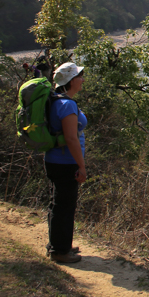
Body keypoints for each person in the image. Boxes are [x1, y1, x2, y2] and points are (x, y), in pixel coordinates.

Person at [45, 62, 87, 264]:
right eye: (79, 76)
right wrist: (81, 166)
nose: (82, 80)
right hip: (65, 162)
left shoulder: (56, 101)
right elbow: (71, 138)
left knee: (58, 203)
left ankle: (59, 243)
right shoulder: (67, 105)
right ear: (70, 81)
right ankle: (60, 251)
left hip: (54, 160)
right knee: (65, 205)